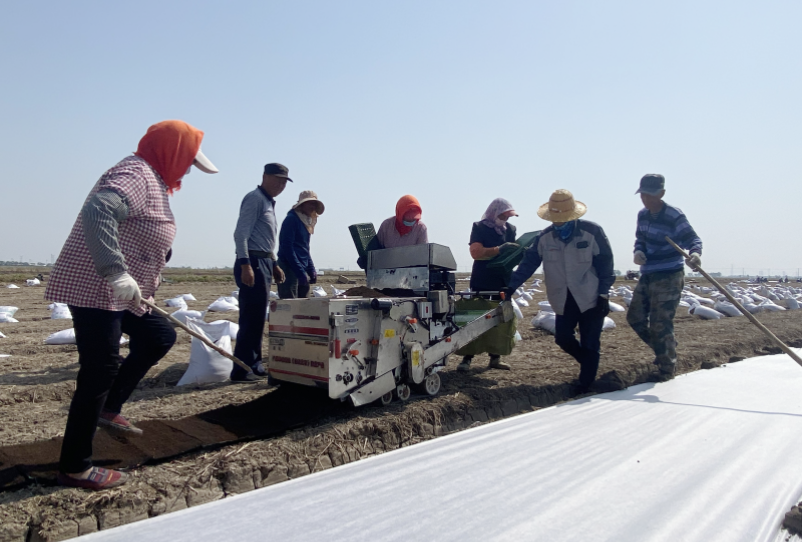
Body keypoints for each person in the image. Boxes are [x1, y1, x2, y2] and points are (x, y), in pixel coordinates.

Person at [45, 120, 218, 490]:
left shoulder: (154, 180)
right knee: (100, 368)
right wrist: (116, 271)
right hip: (96, 287)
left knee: (159, 336)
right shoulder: (137, 173)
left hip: (123, 293)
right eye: (188, 161)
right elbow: (98, 211)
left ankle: (109, 408)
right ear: (170, 152)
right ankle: (75, 467)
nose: (189, 170)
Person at [506, 190, 615, 392]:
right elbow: (528, 265)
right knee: (563, 338)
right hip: (563, 299)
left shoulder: (592, 232)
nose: (558, 222)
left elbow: (606, 264)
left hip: (590, 297)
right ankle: (590, 366)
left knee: (590, 342)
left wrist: (603, 294)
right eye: (555, 218)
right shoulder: (544, 238)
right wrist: (511, 287)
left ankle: (585, 384)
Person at [626, 174, 702, 380]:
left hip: (669, 274)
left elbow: (693, 239)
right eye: (643, 195)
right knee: (635, 318)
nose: (646, 200)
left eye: (650, 195)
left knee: (660, 322)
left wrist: (695, 254)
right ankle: (666, 348)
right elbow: (640, 239)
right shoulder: (643, 215)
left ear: (661, 193)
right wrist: (638, 252)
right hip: (648, 273)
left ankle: (667, 368)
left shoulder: (673, 215)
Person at [232, 163, 290, 382]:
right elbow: (241, 234)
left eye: (284, 182)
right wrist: (245, 264)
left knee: (257, 318)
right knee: (250, 317)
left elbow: (265, 240)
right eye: (277, 180)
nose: (280, 185)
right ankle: (241, 368)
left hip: (263, 261)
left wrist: (274, 264)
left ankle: (254, 363)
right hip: (253, 262)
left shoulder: (268, 202)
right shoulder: (255, 198)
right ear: (265, 177)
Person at [456, 198, 520, 373]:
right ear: (494, 213)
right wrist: (499, 249)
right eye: (502, 216)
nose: (505, 220)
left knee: (500, 318)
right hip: (483, 279)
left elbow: (513, 252)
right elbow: (476, 252)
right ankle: (467, 357)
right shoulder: (480, 227)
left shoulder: (511, 230)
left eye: (507, 217)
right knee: (476, 316)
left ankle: (495, 357)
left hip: (502, 280)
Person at [277, 191, 325, 299]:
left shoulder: (306, 222)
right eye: (310, 203)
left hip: (302, 267)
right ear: (302, 204)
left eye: (314, 204)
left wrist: (311, 269)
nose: (312, 207)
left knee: (304, 304)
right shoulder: (292, 219)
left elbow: (305, 249)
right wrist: (299, 270)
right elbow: (287, 248)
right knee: (290, 303)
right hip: (289, 267)